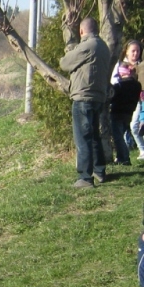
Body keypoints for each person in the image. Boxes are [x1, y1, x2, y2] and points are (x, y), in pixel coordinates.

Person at [59, 17, 112, 188]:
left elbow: (65, 63)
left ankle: (85, 177)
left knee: (83, 137)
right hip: (98, 97)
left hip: (83, 96)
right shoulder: (103, 46)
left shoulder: (87, 45)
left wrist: (72, 49)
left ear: (82, 31)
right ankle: (99, 170)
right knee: (94, 136)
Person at [109, 61, 141, 166]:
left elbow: (112, 98)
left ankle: (125, 158)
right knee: (121, 135)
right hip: (129, 113)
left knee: (117, 136)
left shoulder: (119, 85)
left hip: (117, 112)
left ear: (121, 73)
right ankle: (120, 156)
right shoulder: (137, 85)